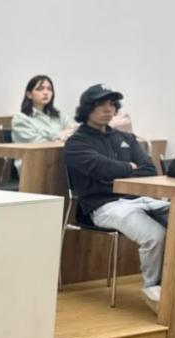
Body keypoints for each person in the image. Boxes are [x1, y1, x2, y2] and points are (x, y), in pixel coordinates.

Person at [63, 84, 168, 312]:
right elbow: (100, 168)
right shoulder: (76, 143)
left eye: (111, 104)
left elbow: (149, 170)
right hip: (103, 206)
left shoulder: (126, 138)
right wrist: (128, 167)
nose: (108, 109)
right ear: (87, 108)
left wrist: (115, 173)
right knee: (155, 235)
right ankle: (153, 289)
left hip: (139, 199)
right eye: (101, 104)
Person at [11, 75, 72, 143]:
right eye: (40, 89)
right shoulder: (21, 119)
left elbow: (76, 133)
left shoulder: (60, 115)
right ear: (29, 95)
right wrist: (60, 135)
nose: (46, 92)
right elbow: (38, 143)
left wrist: (55, 138)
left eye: (49, 89)